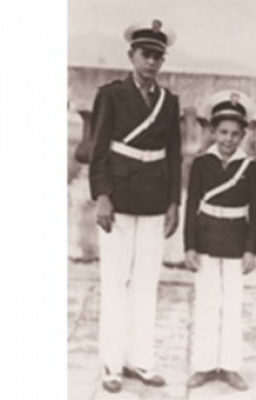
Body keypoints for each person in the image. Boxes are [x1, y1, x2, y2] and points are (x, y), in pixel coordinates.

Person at [88, 19, 182, 394]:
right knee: (115, 283)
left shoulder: (169, 101)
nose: (151, 62)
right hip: (119, 199)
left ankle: (140, 360)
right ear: (131, 55)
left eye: (158, 56)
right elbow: (98, 151)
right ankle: (111, 364)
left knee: (146, 284)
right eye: (145, 54)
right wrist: (103, 195)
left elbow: (174, 155)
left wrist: (175, 200)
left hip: (155, 200)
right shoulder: (111, 95)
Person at [184, 90, 256, 392]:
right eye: (223, 132)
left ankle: (230, 366)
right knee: (206, 303)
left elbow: (255, 210)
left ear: (243, 135)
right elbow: (191, 204)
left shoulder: (249, 165)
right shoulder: (202, 163)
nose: (228, 139)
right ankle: (204, 365)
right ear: (213, 132)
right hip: (205, 240)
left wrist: (251, 250)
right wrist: (189, 246)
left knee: (232, 304)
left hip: (235, 242)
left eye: (234, 134)